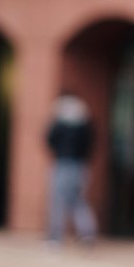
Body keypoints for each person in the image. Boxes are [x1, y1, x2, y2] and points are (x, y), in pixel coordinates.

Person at [46, 93, 97, 245]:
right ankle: (87, 234)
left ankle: (55, 237)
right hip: (80, 165)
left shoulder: (60, 124)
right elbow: (90, 145)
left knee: (58, 201)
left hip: (63, 164)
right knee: (78, 201)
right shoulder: (85, 125)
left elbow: (49, 140)